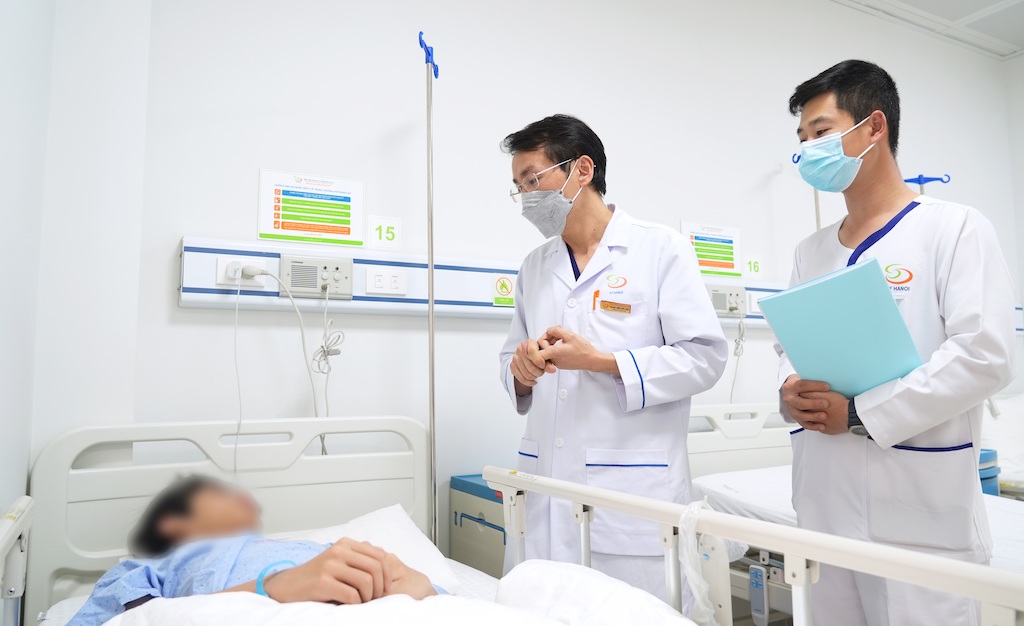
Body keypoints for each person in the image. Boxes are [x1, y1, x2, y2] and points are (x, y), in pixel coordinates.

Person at [779, 60, 1016, 625]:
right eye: (802, 138)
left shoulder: (954, 228)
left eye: (821, 131)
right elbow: (789, 347)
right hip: (824, 505)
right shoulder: (811, 251)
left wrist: (861, 413)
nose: (808, 150)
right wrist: (788, 389)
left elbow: (984, 356)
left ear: (874, 127)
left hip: (919, 509)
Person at [497, 114, 728, 601]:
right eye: (519, 187)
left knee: (632, 609)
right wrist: (521, 370)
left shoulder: (660, 249)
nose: (526, 197)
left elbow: (704, 358)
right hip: (546, 484)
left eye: (533, 180)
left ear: (582, 170)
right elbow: (509, 360)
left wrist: (602, 361)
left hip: (629, 494)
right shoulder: (534, 266)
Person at [68, 476, 437, 625]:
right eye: (219, 493)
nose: (245, 497)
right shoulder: (154, 567)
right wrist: (271, 587)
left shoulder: (319, 549)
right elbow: (140, 621)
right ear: (173, 523)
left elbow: (438, 603)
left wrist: (417, 583)